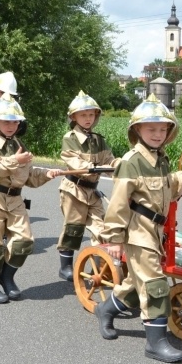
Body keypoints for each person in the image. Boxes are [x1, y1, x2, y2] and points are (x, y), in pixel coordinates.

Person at [95, 94, 182, 363]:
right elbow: (118, 203)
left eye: (163, 129)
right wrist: (114, 239)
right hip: (138, 232)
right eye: (151, 129)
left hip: (155, 231)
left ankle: (106, 310)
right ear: (137, 130)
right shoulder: (132, 161)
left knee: (134, 282)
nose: (158, 134)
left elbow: (165, 190)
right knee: (155, 285)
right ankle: (155, 343)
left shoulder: (160, 159)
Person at [0, 93, 62, 304]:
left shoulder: (18, 144)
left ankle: (7, 279)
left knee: (24, 242)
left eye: (15, 121)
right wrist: (14, 160)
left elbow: (28, 176)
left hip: (15, 199)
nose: (11, 125)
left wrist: (46, 174)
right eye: (6, 121)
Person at [56, 91, 120, 281]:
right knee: (73, 229)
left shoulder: (99, 140)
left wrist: (120, 166)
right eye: (83, 115)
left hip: (92, 191)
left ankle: (98, 267)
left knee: (102, 228)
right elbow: (73, 161)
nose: (88, 119)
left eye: (91, 115)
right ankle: (65, 267)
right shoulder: (70, 138)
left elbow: (109, 160)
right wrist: (90, 167)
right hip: (73, 190)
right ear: (73, 117)